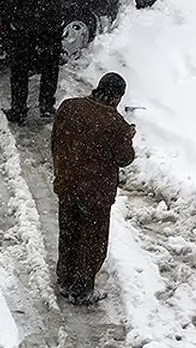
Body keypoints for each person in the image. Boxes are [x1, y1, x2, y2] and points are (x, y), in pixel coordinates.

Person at [51, 72, 136, 306]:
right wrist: (127, 137)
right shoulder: (115, 123)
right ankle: (81, 289)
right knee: (92, 241)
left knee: (69, 232)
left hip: (68, 184)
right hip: (95, 193)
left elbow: (57, 138)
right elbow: (124, 158)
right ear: (118, 98)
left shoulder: (69, 107)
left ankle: (65, 277)